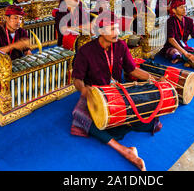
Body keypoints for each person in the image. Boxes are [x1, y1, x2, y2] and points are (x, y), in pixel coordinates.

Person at [70, 11, 163, 171]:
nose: (117, 33)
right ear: (100, 31)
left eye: (118, 28)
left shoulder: (120, 45)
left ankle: (115, 129)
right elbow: (77, 79)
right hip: (96, 94)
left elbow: (132, 70)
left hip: (117, 91)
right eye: (112, 29)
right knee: (80, 116)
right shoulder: (86, 51)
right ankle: (124, 150)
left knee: (145, 117)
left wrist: (153, 79)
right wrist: (84, 90)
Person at [0, 5, 31, 91]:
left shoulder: (22, 31)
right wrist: (13, 46)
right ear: (6, 18)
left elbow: (27, 50)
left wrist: (29, 54)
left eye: (21, 18)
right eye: (15, 18)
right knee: (7, 88)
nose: (19, 21)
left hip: (18, 65)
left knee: (34, 81)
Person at [160, 0, 194, 64]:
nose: (184, 9)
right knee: (175, 53)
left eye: (185, 6)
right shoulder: (170, 21)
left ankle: (185, 57)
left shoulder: (189, 21)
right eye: (181, 7)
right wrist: (186, 53)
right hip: (172, 47)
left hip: (184, 47)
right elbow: (171, 40)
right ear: (174, 10)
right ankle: (182, 57)